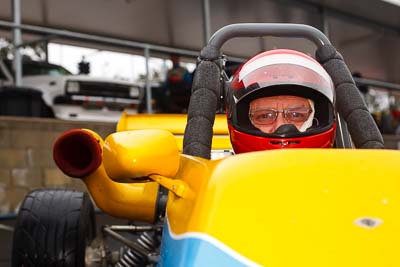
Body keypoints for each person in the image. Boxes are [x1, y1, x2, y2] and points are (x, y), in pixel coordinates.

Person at [226, 49, 337, 154]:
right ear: (246, 120)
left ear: (315, 119)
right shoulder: (218, 174)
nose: (282, 126)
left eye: (296, 114)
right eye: (265, 116)